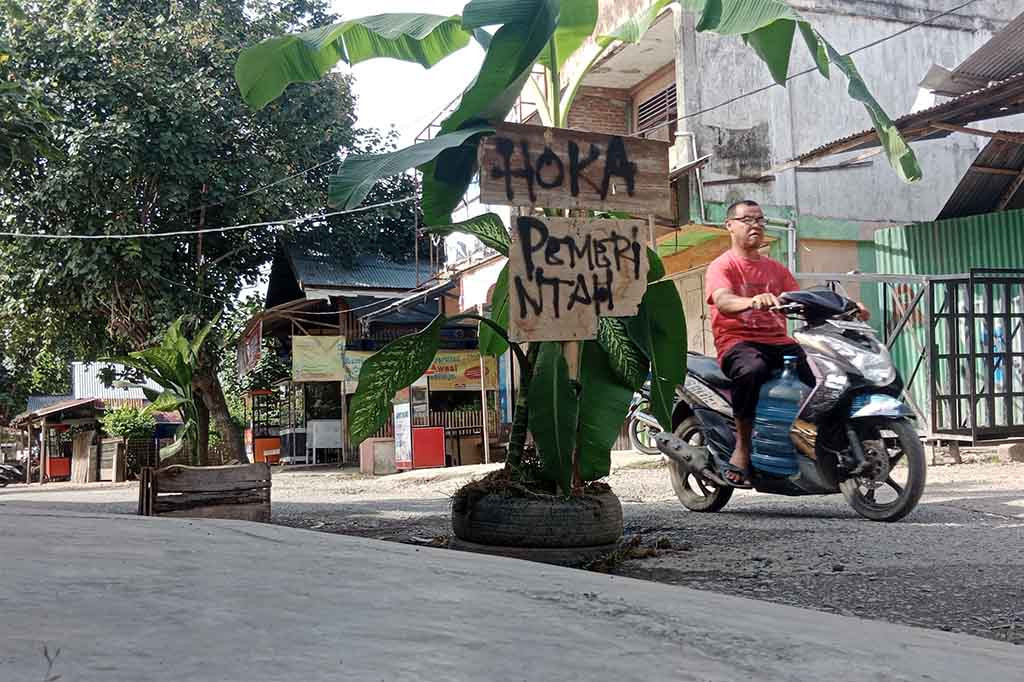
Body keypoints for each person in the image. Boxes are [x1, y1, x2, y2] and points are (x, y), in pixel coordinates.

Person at [705, 200, 868, 487]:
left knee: (825, 376)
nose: (755, 225)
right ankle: (742, 448)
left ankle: (817, 442)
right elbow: (723, 300)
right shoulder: (723, 266)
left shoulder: (776, 270)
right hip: (738, 343)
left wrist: (847, 307)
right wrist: (751, 301)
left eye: (760, 220)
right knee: (752, 370)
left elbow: (803, 299)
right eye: (747, 220)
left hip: (780, 342)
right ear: (729, 225)